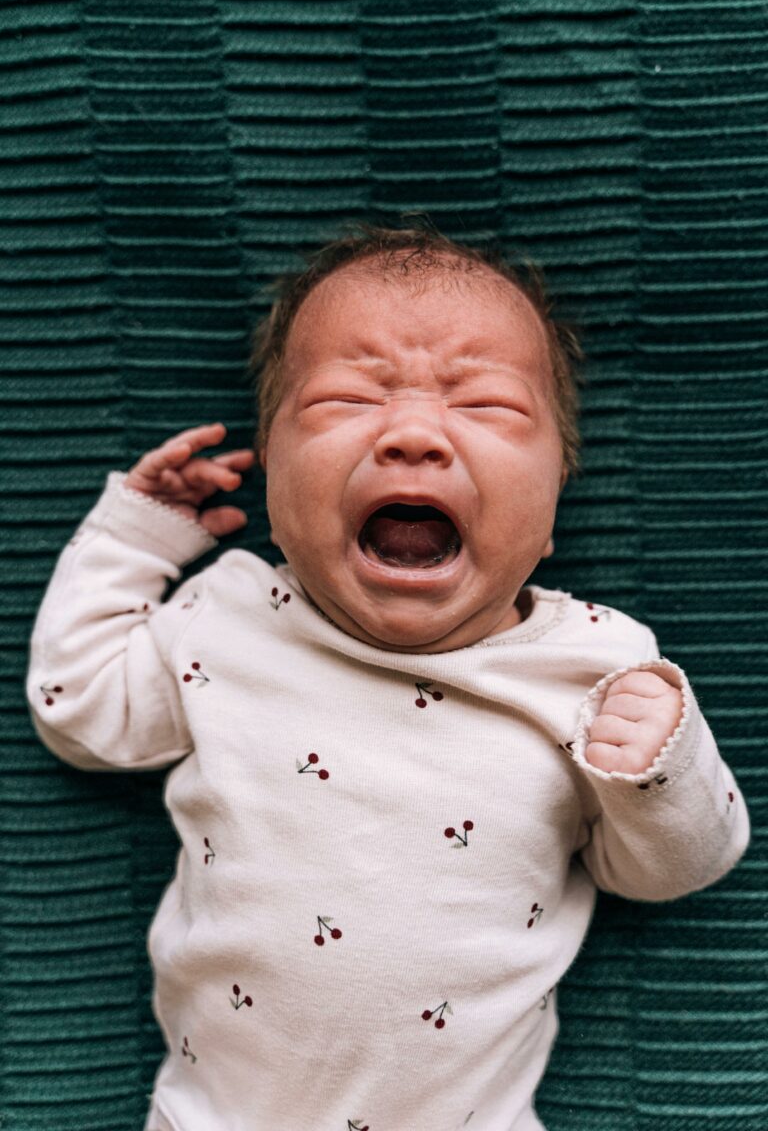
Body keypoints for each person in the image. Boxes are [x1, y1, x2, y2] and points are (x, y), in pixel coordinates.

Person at [26, 224, 750, 1131]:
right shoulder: (228, 619)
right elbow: (80, 710)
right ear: (274, 476)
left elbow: (666, 870)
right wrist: (136, 540)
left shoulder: (594, 664)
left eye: (487, 406)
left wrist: (659, 772)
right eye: (345, 399)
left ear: (555, 500)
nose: (412, 434)